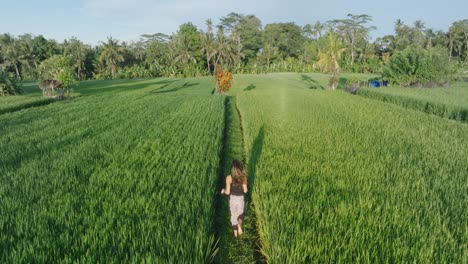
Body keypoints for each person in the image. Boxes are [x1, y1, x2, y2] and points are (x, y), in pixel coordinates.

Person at [221, 159, 248, 238]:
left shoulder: (229, 177)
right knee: (240, 214)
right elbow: (245, 191)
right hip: (240, 199)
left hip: (232, 199)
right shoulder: (244, 177)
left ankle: (235, 234)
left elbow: (228, 192)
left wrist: (223, 191)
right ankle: (239, 225)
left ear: (232, 168)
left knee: (233, 215)